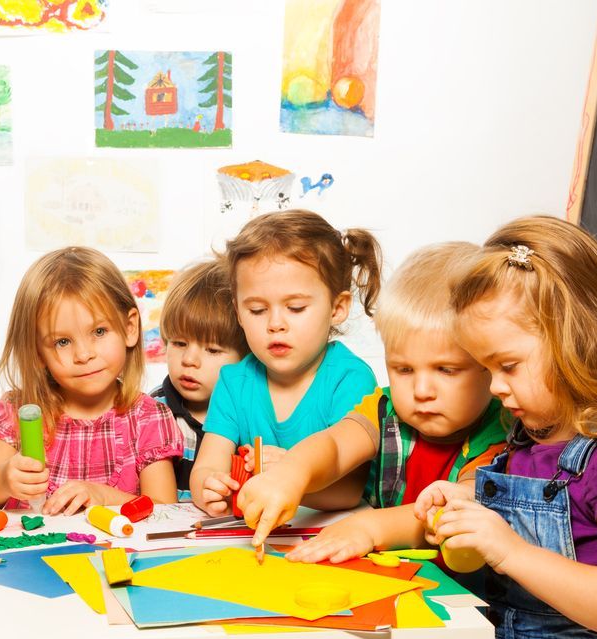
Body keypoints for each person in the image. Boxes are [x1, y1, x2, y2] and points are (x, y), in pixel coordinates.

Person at [415, 215, 597, 639]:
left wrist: (509, 550)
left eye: (507, 365)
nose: (494, 387)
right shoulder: (537, 432)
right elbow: (562, 513)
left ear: (579, 337)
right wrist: (472, 506)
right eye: (486, 368)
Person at [239, 242, 508, 562]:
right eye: (403, 369)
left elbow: (453, 509)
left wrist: (367, 528)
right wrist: (291, 473)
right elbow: (336, 446)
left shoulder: (501, 435)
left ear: (490, 367)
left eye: (446, 370)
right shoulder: (385, 406)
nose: (421, 390)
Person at [190, 209, 381, 516]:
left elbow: (348, 493)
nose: (275, 324)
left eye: (295, 307)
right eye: (256, 310)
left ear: (337, 308)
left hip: (333, 533)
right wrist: (209, 488)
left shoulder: (351, 379)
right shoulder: (233, 382)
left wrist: (288, 477)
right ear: (238, 312)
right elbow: (207, 466)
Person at [0, 246, 183, 515]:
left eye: (99, 331)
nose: (83, 354)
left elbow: (165, 510)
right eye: (63, 341)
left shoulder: (147, 418)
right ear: (37, 352)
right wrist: (3, 480)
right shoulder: (23, 411)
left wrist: (103, 496)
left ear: (129, 328)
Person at [149, 259, 249, 500]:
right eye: (179, 343)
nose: (190, 360)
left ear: (247, 357)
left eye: (212, 350)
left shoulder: (252, 411)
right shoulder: (153, 412)